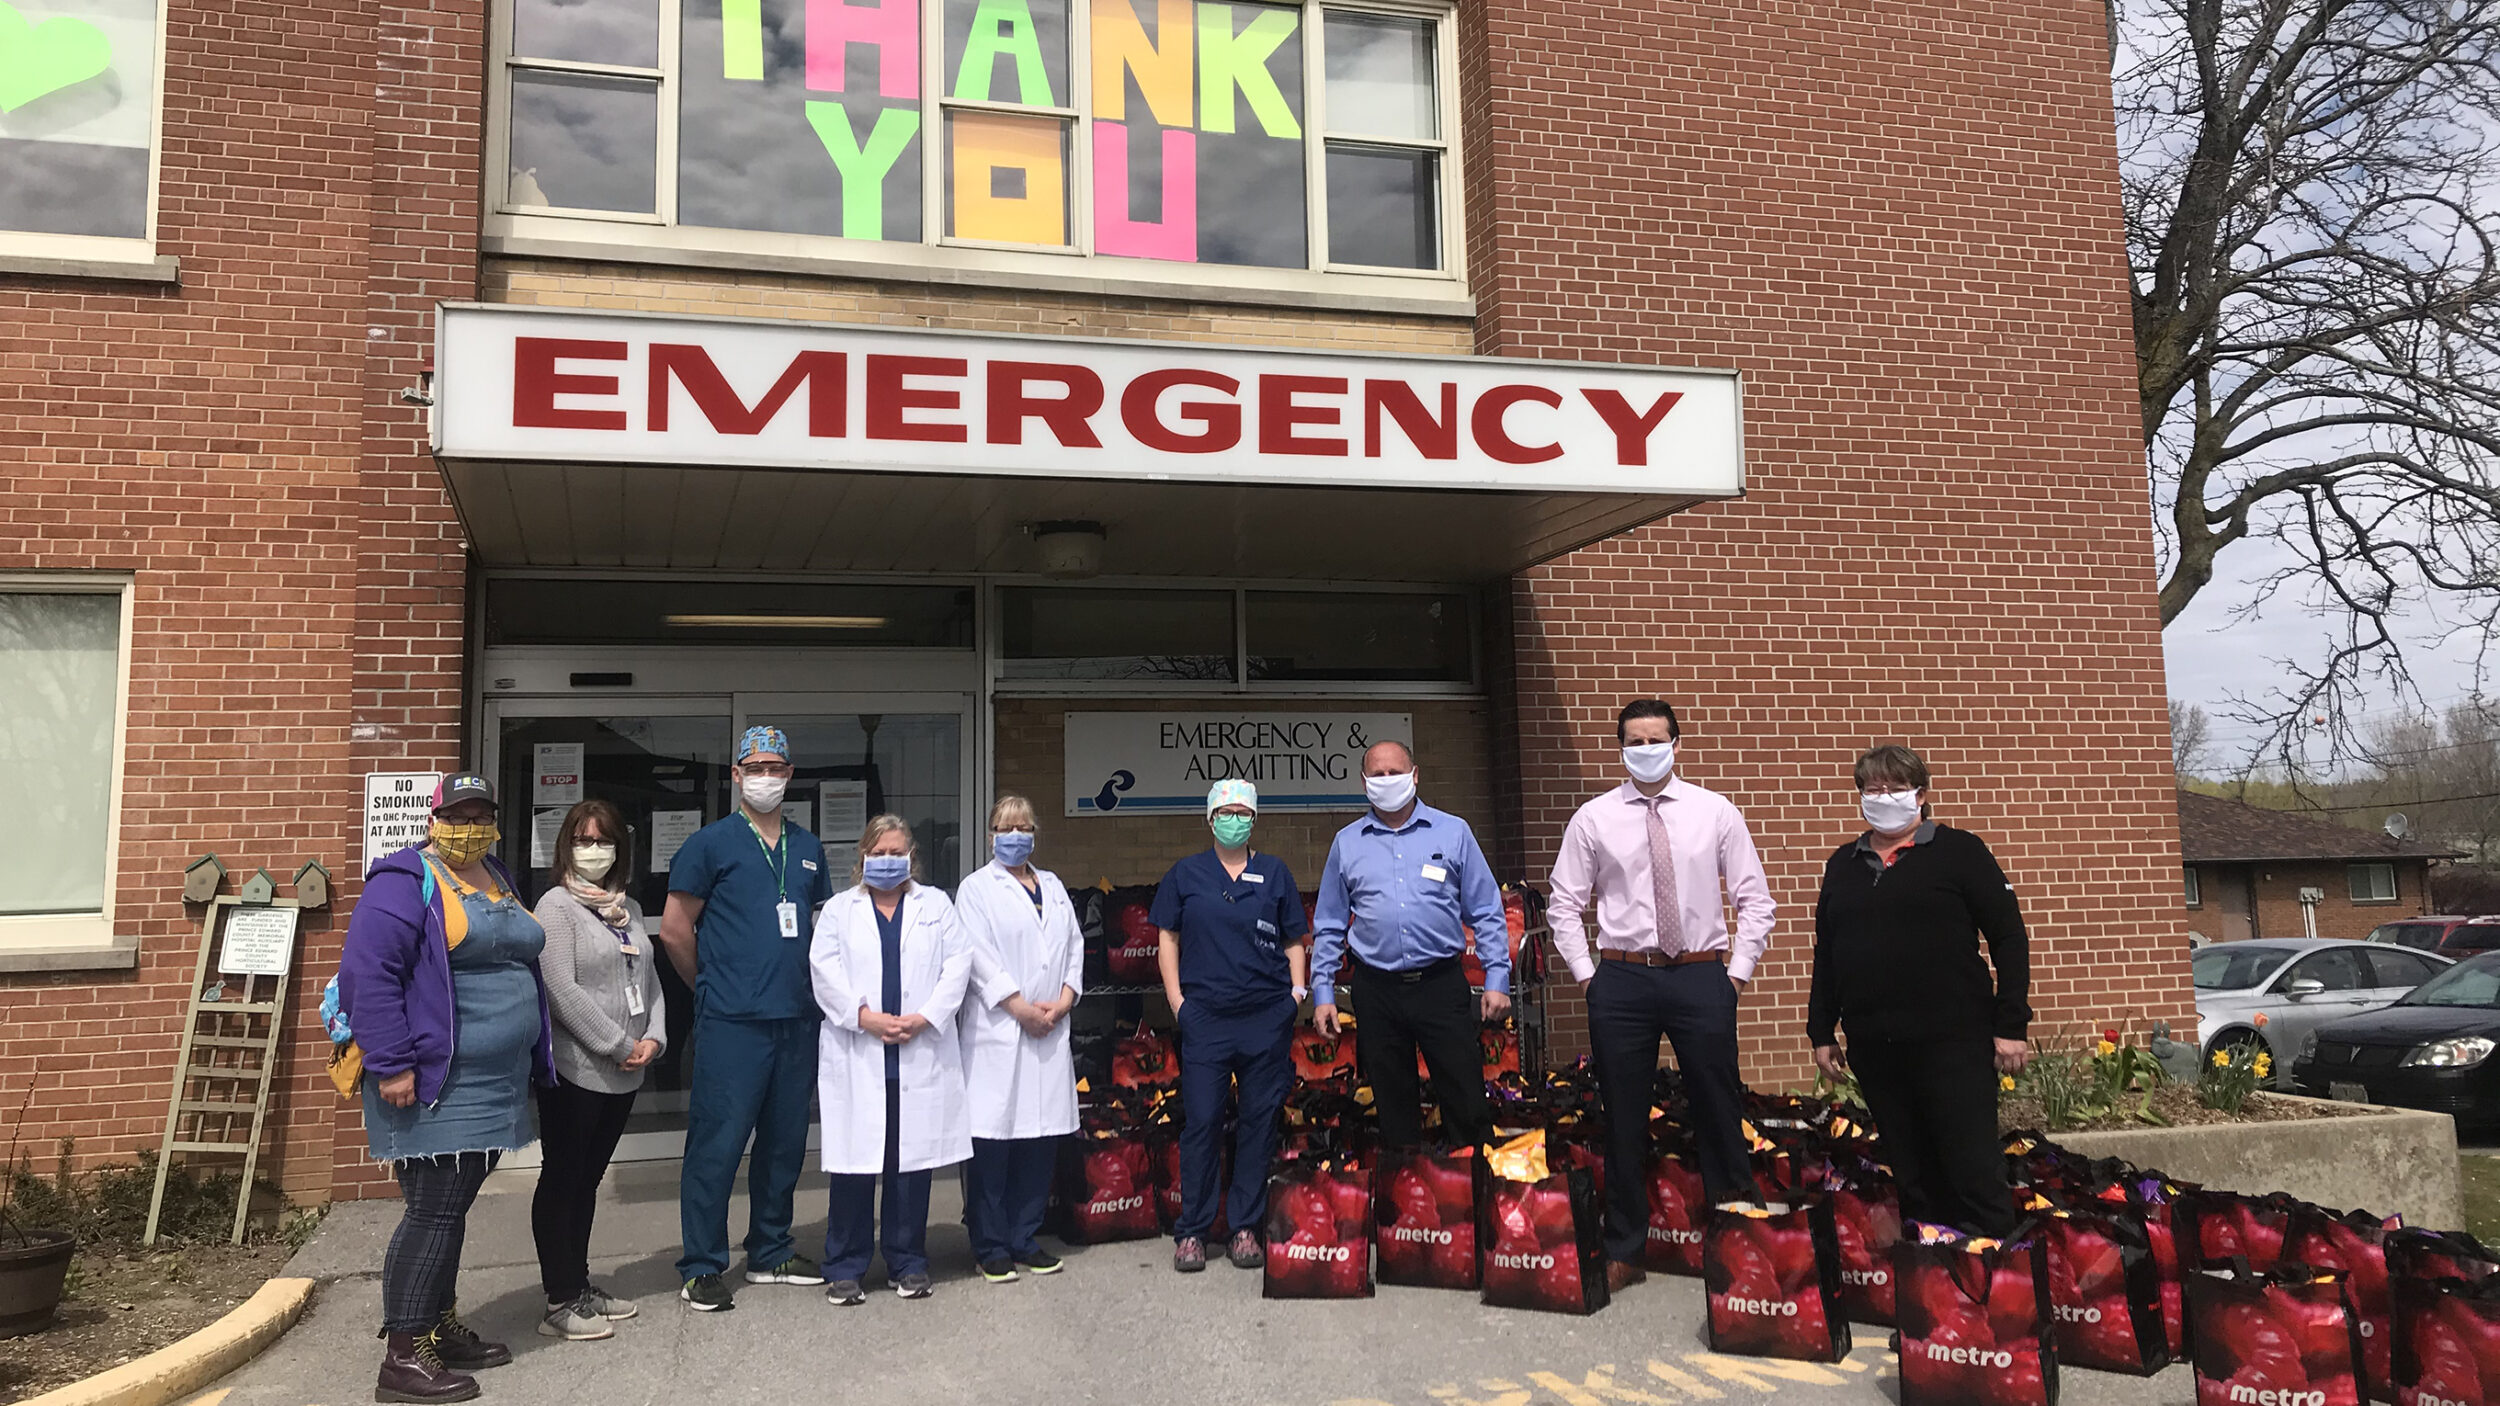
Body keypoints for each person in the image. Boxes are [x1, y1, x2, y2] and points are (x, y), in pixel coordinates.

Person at [337, 772, 554, 1404]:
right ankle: (403, 1356)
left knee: (451, 1204)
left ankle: (436, 1327)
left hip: (493, 1080)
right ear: (434, 819)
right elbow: (368, 974)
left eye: (482, 811)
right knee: (434, 1206)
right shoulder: (404, 882)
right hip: (433, 1079)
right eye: (459, 813)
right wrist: (393, 1062)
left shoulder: (499, 876)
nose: (471, 824)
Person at [1547, 698, 1775, 1294]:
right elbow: (1564, 904)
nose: (1645, 749)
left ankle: (1743, 1242)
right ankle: (1625, 1247)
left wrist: (1736, 976)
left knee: (1719, 1109)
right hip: (1621, 980)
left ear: (1678, 743)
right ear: (1619, 747)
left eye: (1656, 739)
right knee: (1622, 1117)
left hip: (1702, 976)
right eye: (1634, 740)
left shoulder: (1714, 812)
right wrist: (1588, 977)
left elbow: (1754, 898)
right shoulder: (1594, 818)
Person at [1809, 745, 2031, 1238]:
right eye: (1872, 788)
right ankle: (1933, 1276)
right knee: (1910, 1170)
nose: (1882, 796)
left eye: (1894, 787)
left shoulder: (1960, 852)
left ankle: (1993, 1272)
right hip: (1876, 1045)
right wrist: (1820, 1029)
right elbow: (1828, 952)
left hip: (1953, 1041)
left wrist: (2011, 1025)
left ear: (1921, 794)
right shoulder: (1843, 864)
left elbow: (2009, 939)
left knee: (1969, 1163)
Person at [657, 725, 836, 1312]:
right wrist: (707, 987)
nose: (766, 777)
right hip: (733, 1021)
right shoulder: (711, 844)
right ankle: (702, 1264)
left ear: (789, 775)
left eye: (776, 767)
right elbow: (675, 930)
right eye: (754, 767)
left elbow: (819, 928)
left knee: (785, 1144)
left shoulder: (808, 847)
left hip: (796, 1018)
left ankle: (771, 1250)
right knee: (718, 1144)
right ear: (736, 775)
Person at [1310, 740, 1511, 1149]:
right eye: (1378, 775)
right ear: (1364, 783)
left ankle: (1474, 1195)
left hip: (1440, 986)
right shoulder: (1347, 843)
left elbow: (1487, 910)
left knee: (1465, 1100)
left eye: (1395, 772)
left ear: (1415, 775)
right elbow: (1329, 923)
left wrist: (1497, 978)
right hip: (1376, 990)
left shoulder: (1452, 832)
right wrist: (1323, 992)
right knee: (1393, 1107)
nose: (1387, 781)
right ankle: (1408, 1197)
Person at [809, 814, 974, 1304]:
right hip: (860, 1050)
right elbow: (824, 969)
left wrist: (925, 1017)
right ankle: (845, 1265)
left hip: (918, 1049)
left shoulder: (936, 905)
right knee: (856, 1164)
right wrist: (865, 1018)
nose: (887, 861)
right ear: (862, 857)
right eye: (878, 853)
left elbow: (958, 964)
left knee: (911, 1166)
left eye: (896, 853)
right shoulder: (840, 910)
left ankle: (908, 1261)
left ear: (911, 858)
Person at [1154, 779, 1311, 1274]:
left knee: (1257, 1123)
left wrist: (1296, 994)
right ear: (1210, 818)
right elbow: (1167, 939)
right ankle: (1194, 1231)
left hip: (1266, 1018)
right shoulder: (1186, 874)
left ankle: (1245, 1226)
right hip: (1207, 1019)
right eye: (1226, 811)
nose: (1234, 819)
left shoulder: (1275, 872)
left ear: (1255, 818)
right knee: (1201, 1122)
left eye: (1243, 811)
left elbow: (1294, 940)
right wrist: (1178, 1003)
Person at [529, 798, 666, 1341]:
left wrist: (653, 1037)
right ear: (567, 845)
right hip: (577, 1069)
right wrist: (616, 1043)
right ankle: (558, 1299)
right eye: (583, 840)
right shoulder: (556, 907)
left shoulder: (625, 909)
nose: (593, 850)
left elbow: (649, 980)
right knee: (562, 1178)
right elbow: (559, 989)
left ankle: (579, 1284)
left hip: (623, 1071)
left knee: (587, 1180)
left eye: (603, 840)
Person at [955, 795, 1083, 1284]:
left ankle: (1025, 1237)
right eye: (1006, 827)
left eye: (1024, 826)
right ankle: (989, 1245)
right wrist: (1019, 1007)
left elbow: (1073, 945)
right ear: (991, 834)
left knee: (1039, 1138)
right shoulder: (975, 890)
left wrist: (1066, 998)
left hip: (1049, 1027)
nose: (1016, 836)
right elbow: (976, 955)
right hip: (1000, 1030)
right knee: (993, 1142)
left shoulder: (1051, 885)